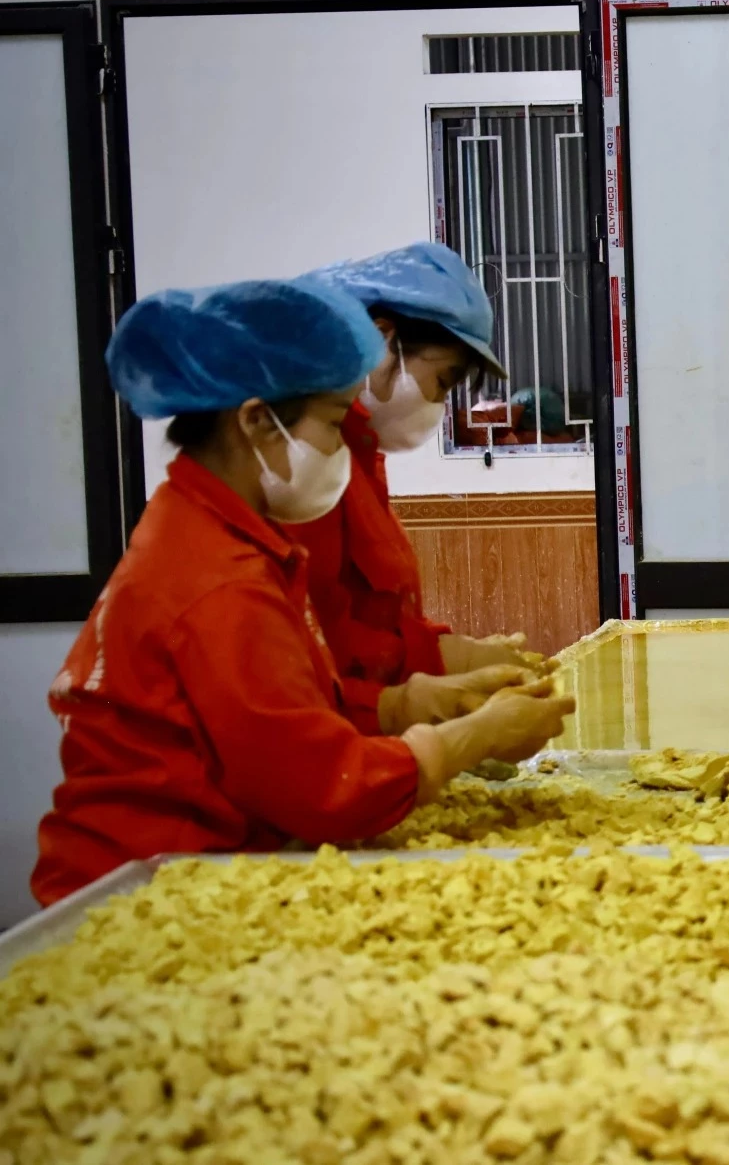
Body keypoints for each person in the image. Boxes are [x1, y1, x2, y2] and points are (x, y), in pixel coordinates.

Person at [33, 279, 575, 906]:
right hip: (141, 895)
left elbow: (287, 715)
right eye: (335, 423)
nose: (342, 448)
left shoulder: (229, 536)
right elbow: (323, 787)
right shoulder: (215, 578)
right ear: (259, 422)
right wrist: (474, 738)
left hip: (197, 869)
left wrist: (417, 703)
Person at [291, 243, 553, 738]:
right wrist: (440, 679)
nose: (438, 403)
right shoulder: (303, 463)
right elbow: (312, 651)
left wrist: (451, 658)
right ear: (378, 339)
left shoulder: (357, 458)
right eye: (443, 381)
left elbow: (373, 612)